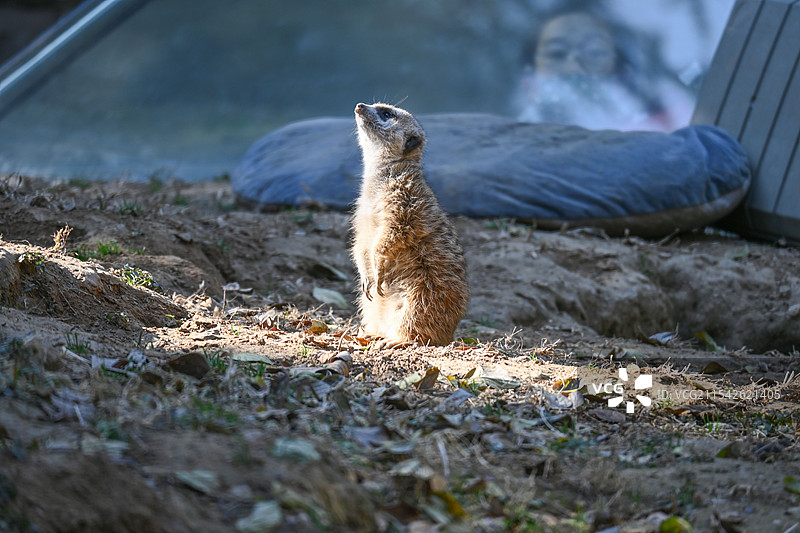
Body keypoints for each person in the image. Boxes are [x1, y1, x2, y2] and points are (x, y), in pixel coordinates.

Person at [513, 9, 694, 132]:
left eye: (593, 51)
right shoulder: (522, 125)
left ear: (616, 58)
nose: (574, 65)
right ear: (532, 65)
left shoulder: (663, 101)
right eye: (557, 54)